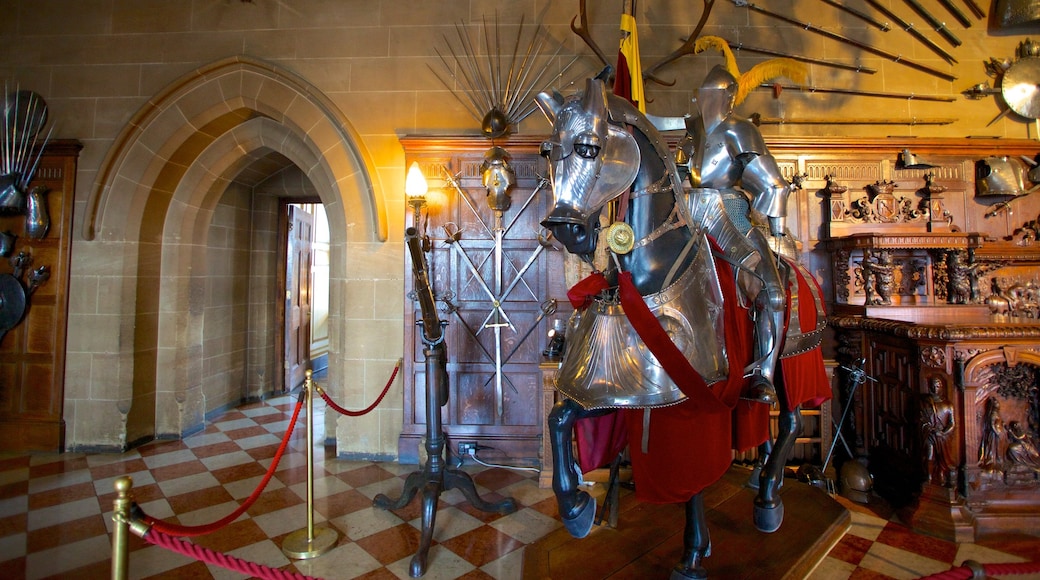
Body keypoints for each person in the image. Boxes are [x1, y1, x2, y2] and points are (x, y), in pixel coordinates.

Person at [673, 61, 795, 405]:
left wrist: (776, 232)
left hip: (730, 217)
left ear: (729, 97)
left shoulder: (741, 131)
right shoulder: (692, 131)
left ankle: (763, 376)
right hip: (688, 216)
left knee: (771, 293)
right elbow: (679, 178)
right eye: (704, 94)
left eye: (714, 94)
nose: (707, 100)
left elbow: (772, 184)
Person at [920, 377, 955, 486]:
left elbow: (952, 423)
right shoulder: (926, 403)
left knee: (942, 457)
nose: (935, 389)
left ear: (941, 387)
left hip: (943, 436)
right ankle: (929, 477)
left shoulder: (948, 404)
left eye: (938, 386)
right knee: (929, 455)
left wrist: (943, 432)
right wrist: (930, 429)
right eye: (933, 386)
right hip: (931, 434)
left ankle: (941, 475)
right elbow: (922, 419)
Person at [979, 397, 1005, 472]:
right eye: (997, 404)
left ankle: (995, 461)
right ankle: (992, 461)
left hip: (996, 434)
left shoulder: (995, 413)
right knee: (992, 448)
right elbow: (992, 424)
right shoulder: (993, 414)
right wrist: (998, 432)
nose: (998, 405)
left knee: (996, 448)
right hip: (993, 435)